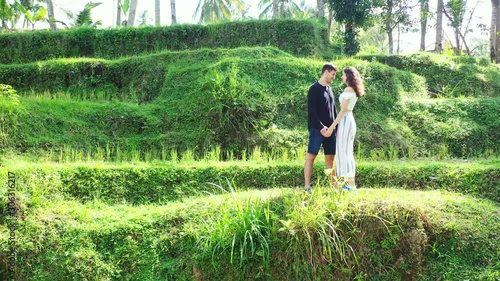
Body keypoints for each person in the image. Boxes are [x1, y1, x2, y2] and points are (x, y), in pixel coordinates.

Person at [325, 66, 365, 190]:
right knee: (346, 152)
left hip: (346, 120)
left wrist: (331, 127)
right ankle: (350, 183)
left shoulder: (349, 89)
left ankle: (350, 184)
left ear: (348, 76)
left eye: (343, 74)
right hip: (347, 120)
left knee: (344, 152)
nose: (341, 77)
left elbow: (342, 111)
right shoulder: (352, 89)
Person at [304, 63, 338, 194]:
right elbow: (312, 111)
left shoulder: (329, 89)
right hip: (317, 130)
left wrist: (336, 127)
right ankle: (307, 186)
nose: (334, 77)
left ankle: (334, 186)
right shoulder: (314, 89)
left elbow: (334, 110)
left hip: (331, 131)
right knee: (311, 156)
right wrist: (321, 127)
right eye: (333, 74)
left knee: (331, 157)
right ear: (325, 72)